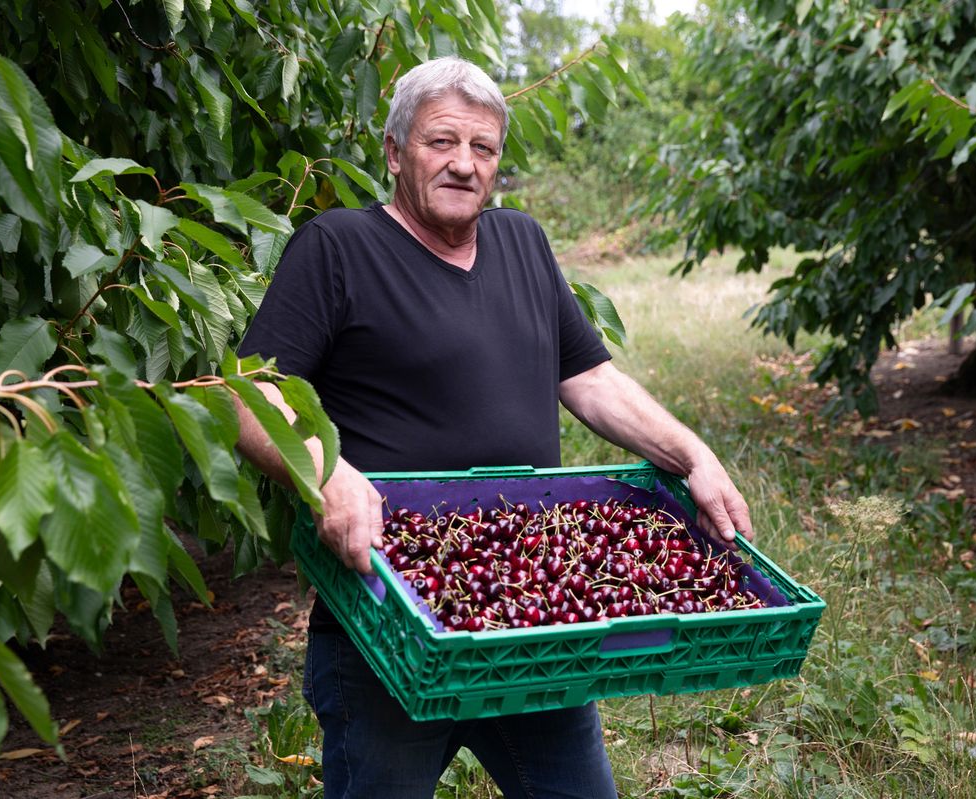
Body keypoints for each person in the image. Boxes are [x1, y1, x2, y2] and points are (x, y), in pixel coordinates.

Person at [234, 55, 753, 799]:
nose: (463, 164)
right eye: (441, 142)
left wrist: (693, 454)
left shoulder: (522, 244)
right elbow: (248, 395)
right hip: (393, 619)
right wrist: (328, 470)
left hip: (528, 623)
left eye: (483, 149)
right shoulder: (339, 247)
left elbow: (590, 378)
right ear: (394, 151)